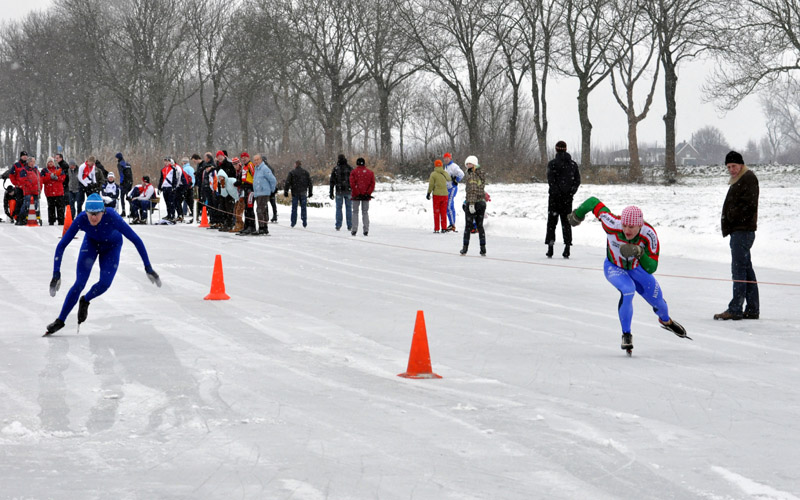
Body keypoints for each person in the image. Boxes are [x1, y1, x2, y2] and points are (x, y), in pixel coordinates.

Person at [568, 198, 688, 352]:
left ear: (640, 225)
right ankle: (626, 334)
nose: (627, 230)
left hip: (636, 268)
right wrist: (577, 215)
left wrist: (640, 253)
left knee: (659, 303)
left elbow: (652, 267)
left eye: (631, 227)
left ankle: (666, 321)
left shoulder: (649, 234)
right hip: (614, 267)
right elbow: (593, 202)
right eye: (624, 225)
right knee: (628, 290)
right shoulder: (612, 224)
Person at [45, 193, 161, 335]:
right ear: (86, 212)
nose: (93, 217)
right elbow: (62, 245)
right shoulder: (81, 219)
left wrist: (147, 267)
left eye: (97, 214)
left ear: (103, 211)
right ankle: (60, 320)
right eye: (90, 214)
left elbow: (136, 239)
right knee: (79, 283)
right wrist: (56, 273)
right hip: (91, 244)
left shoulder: (112, 216)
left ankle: (86, 300)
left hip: (112, 247)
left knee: (105, 283)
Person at [714, 151, 760, 321]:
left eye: (734, 166)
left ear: (741, 164)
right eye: (728, 167)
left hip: (743, 231)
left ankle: (735, 308)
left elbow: (748, 204)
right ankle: (753, 308)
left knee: (739, 270)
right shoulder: (740, 179)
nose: (731, 169)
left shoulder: (747, 178)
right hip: (740, 230)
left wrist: (731, 217)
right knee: (746, 269)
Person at [546, 140, 581, 259]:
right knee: (566, 223)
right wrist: (570, 192)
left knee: (552, 223)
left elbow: (551, 181)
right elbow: (577, 181)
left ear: (556, 149)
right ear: (566, 149)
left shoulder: (552, 164)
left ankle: (550, 248)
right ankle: (567, 247)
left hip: (554, 199)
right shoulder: (573, 164)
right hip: (567, 199)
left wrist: (557, 192)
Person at [459, 155, 487, 256]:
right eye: (467, 164)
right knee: (480, 226)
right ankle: (483, 248)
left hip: (474, 202)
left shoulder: (472, 174)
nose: (468, 165)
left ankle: (465, 248)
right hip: (481, 202)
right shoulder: (481, 173)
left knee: (468, 226)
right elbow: (480, 188)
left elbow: (472, 190)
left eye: (470, 163)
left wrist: (470, 204)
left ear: (474, 164)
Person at [349, 157, 375, 236]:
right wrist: (367, 192)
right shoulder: (370, 173)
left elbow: (352, 184)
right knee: (365, 212)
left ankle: (354, 229)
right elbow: (372, 184)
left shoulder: (354, 172)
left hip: (356, 196)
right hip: (366, 196)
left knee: (355, 212)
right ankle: (366, 229)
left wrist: (357, 192)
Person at [252, 153, 277, 235]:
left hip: (264, 192)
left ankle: (262, 227)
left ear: (261, 160)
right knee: (263, 210)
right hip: (258, 193)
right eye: (255, 160)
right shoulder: (256, 169)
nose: (256, 161)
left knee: (260, 210)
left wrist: (271, 190)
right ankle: (264, 227)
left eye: (257, 160)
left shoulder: (264, 169)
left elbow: (272, 179)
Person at [284, 160, 313, 228]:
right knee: (303, 207)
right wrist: (310, 192)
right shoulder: (305, 172)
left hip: (295, 192)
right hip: (303, 192)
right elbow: (310, 183)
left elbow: (287, 182)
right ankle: (304, 221)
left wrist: (286, 191)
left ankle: (293, 222)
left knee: (294, 208)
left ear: (295, 165)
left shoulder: (292, 173)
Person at [426, 159, 451, 233]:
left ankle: (437, 229)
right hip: (445, 195)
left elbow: (431, 185)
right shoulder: (445, 173)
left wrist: (428, 193)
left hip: (437, 195)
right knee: (443, 212)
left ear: (435, 165)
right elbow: (449, 179)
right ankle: (444, 228)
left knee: (436, 212)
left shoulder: (433, 174)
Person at [329, 154, 353, 231]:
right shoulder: (349, 168)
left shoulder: (336, 169)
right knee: (349, 208)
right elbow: (353, 180)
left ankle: (338, 224)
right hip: (348, 190)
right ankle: (350, 225)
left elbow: (332, 181)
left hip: (339, 191)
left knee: (339, 208)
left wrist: (331, 192)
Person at [41, 157, 66, 225]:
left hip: (59, 192)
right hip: (49, 192)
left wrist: (57, 178)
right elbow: (42, 180)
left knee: (60, 208)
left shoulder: (59, 169)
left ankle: (61, 221)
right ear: (47, 163)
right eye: (49, 162)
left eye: (51, 162)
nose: (50, 163)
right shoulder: (44, 170)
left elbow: (63, 178)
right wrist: (49, 177)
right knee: (51, 207)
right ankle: (51, 221)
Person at [443, 152, 464, 232]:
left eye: (447, 158)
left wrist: (456, 180)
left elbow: (461, 173)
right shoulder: (446, 167)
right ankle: (452, 223)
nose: (446, 159)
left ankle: (452, 224)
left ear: (450, 158)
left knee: (449, 205)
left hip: (452, 188)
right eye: (444, 158)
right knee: (448, 206)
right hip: (446, 188)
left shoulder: (453, 166)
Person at [237, 152, 257, 235]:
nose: (244, 159)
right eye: (242, 158)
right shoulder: (244, 166)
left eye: (245, 157)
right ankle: (247, 225)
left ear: (248, 158)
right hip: (245, 188)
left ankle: (251, 227)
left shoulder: (250, 165)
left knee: (250, 207)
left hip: (250, 189)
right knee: (246, 208)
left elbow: (254, 176)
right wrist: (240, 184)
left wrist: (253, 186)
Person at [115, 153, 133, 217]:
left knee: (122, 197)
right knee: (129, 197)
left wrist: (121, 183)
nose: (116, 159)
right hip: (130, 182)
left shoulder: (119, 164)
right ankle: (132, 211)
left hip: (124, 183)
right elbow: (130, 174)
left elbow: (121, 174)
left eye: (116, 158)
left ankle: (123, 211)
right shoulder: (128, 164)